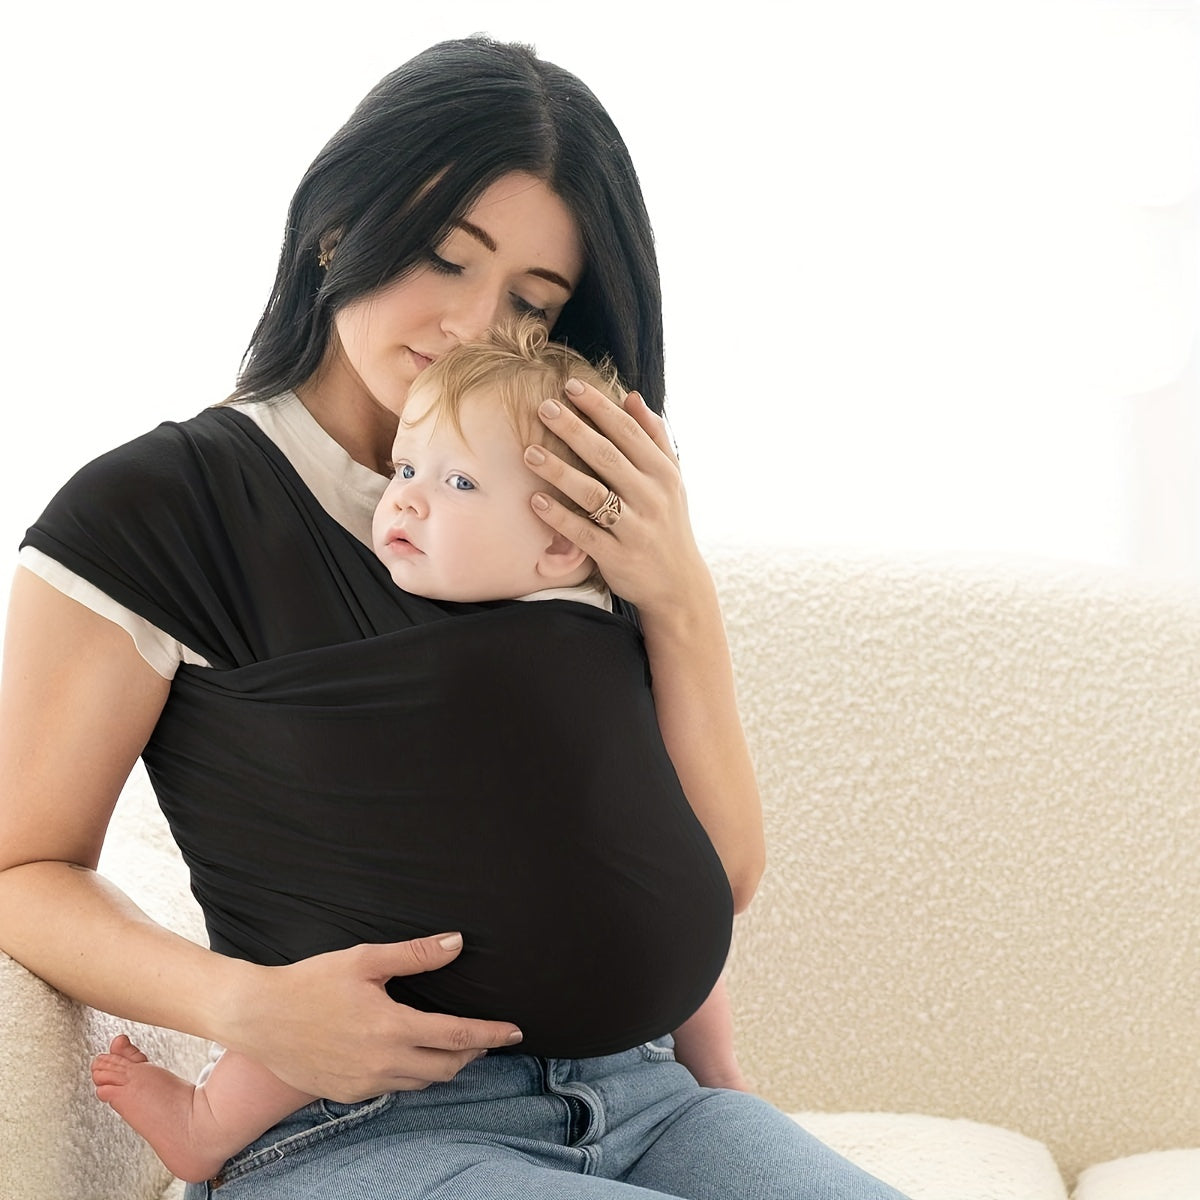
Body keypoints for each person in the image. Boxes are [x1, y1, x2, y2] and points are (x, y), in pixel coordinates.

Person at [0, 36, 910, 1199]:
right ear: (338, 228)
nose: (477, 324)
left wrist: (678, 590)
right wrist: (247, 1008)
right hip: (355, 1126)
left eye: (533, 302)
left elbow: (718, 875)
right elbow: (21, 866)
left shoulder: (566, 511)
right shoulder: (158, 509)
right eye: (444, 257)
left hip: (648, 1098)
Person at [88, 317, 750, 1184]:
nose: (403, 499)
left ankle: (723, 1074)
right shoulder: (387, 654)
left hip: (649, 1072)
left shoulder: (612, 636)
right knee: (359, 946)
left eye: (458, 481)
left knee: (659, 888)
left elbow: (682, 856)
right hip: (378, 1063)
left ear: (561, 541)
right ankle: (208, 1121)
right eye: (404, 468)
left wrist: (716, 1068)